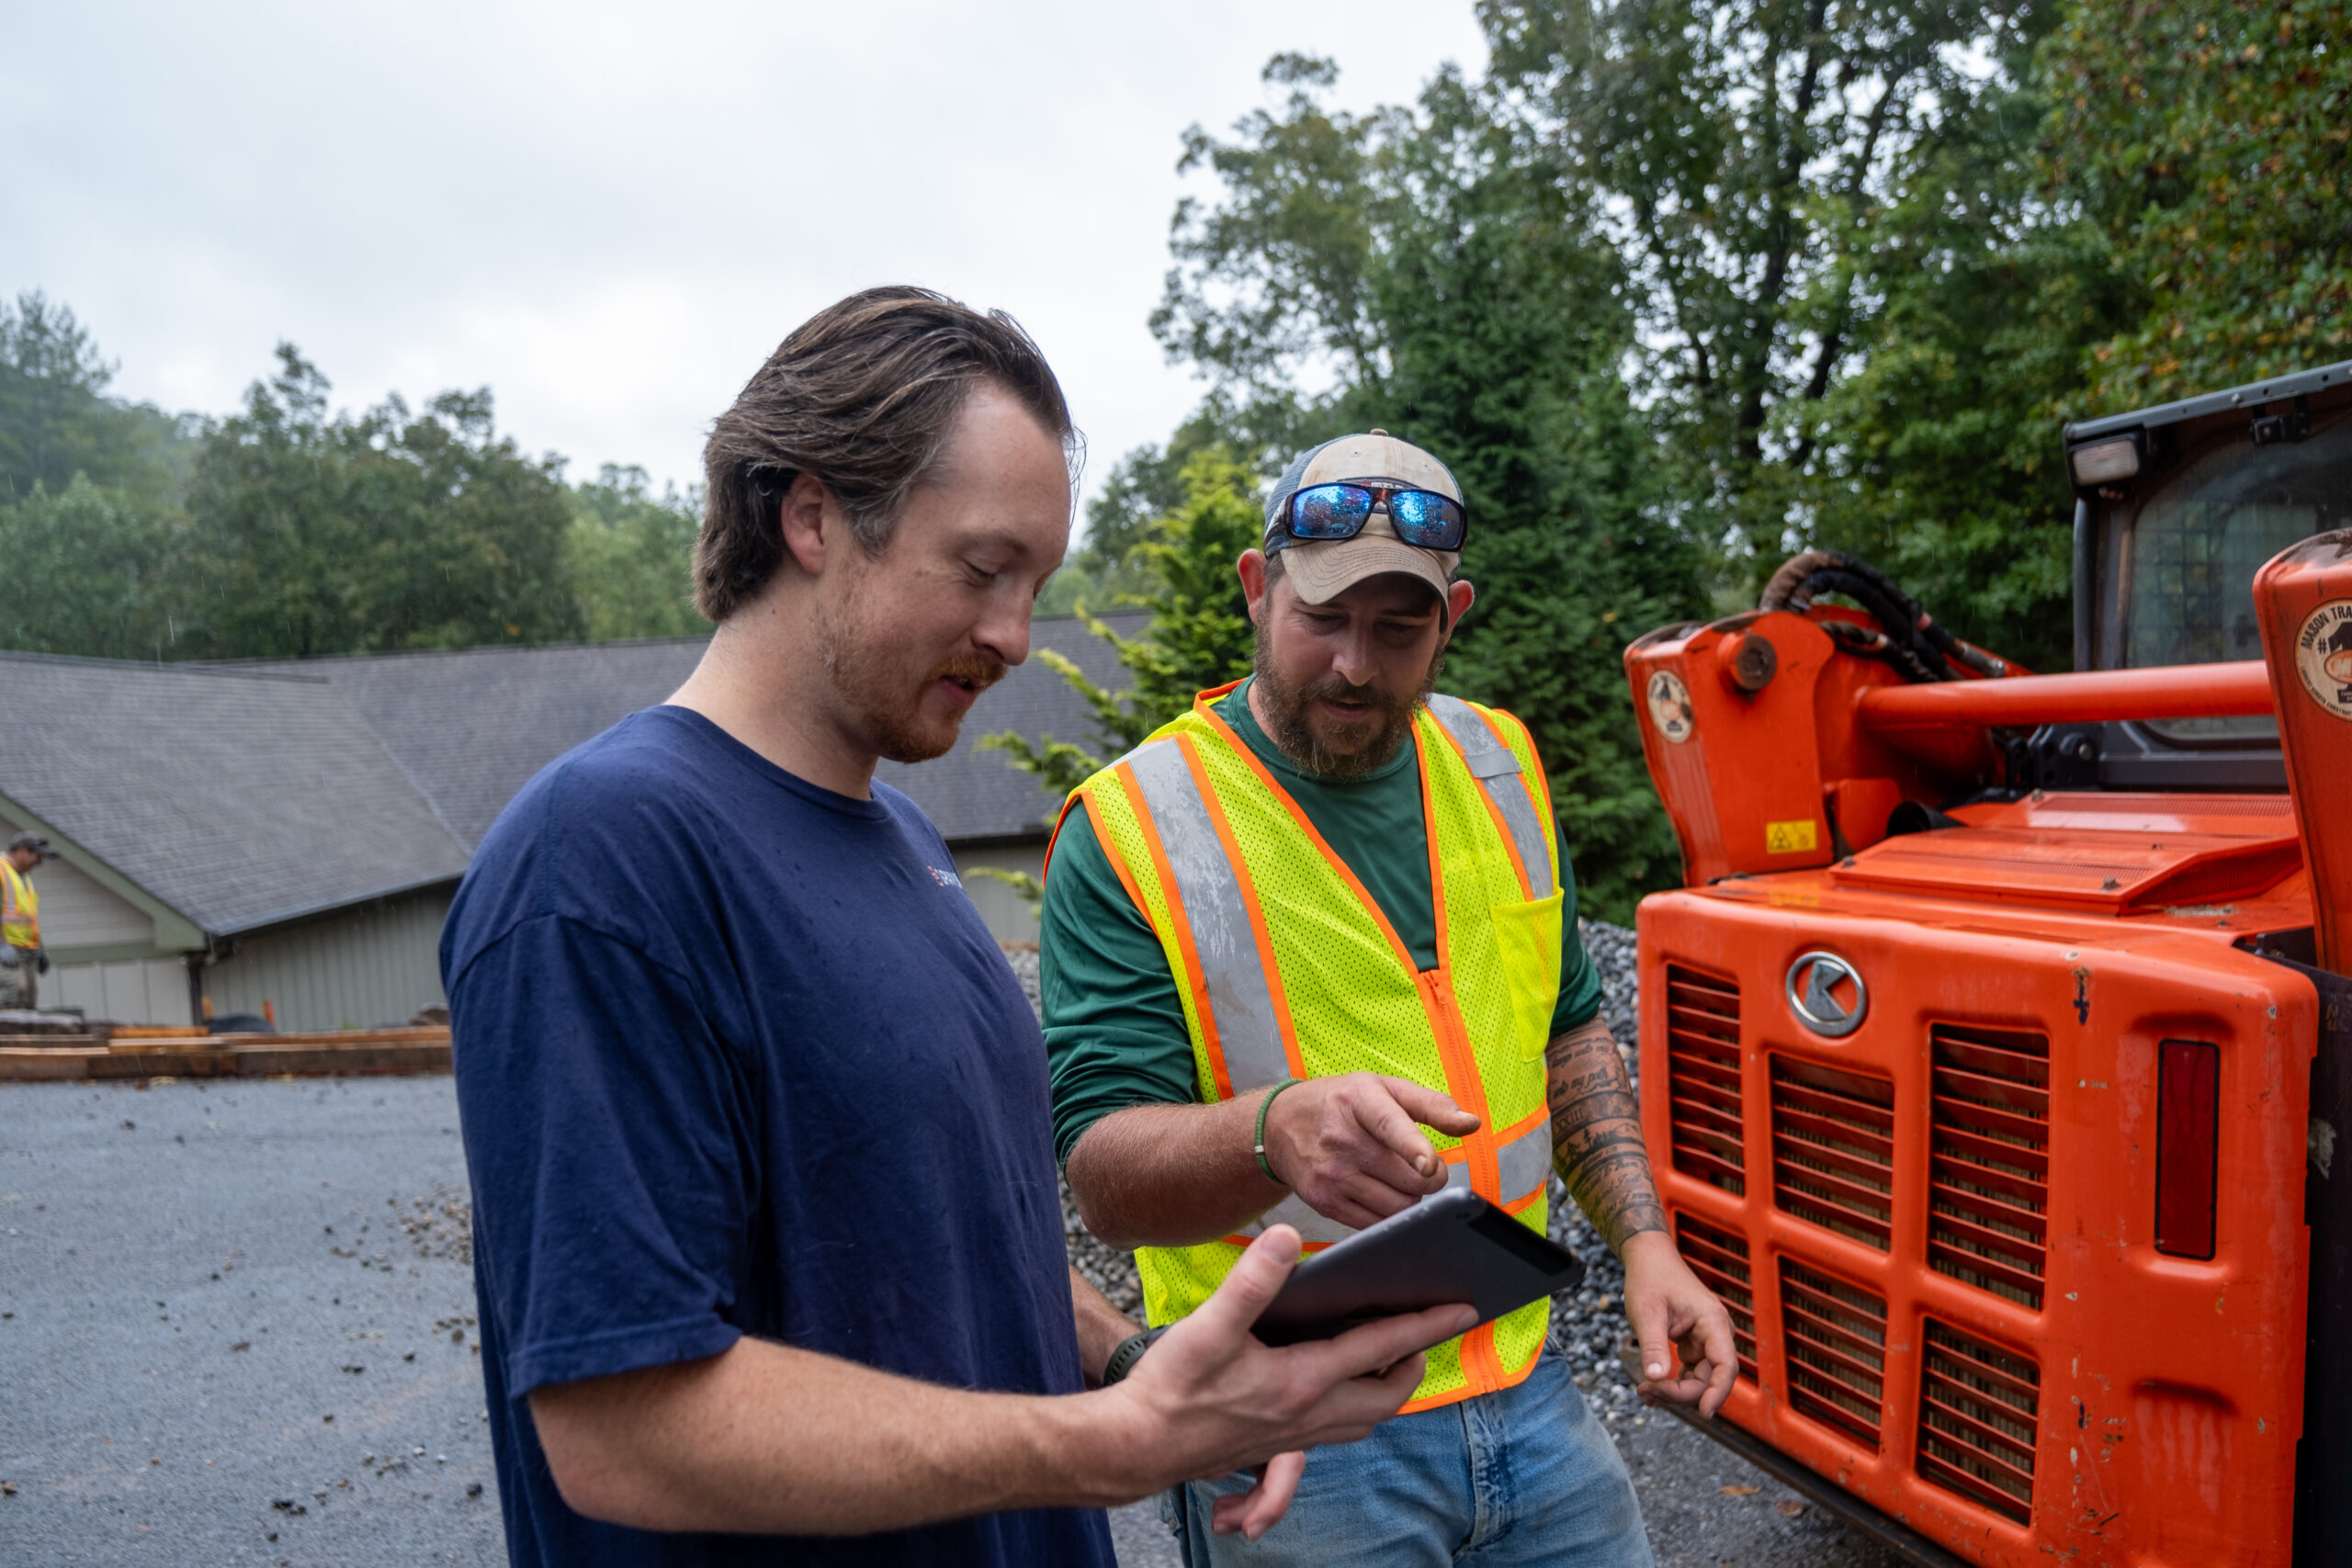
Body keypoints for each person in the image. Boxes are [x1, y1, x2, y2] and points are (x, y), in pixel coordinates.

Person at [441, 289, 1474, 1568]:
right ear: (812, 514)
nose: (1014, 636)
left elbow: (959, 1237)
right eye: (983, 570)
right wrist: (1109, 1442)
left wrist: (1136, 1364)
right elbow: (620, 1422)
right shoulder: (602, 856)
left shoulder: (907, 845)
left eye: (1034, 584)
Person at [1043, 430, 1740, 1566]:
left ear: (1450, 616)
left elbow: (1567, 1033)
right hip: (1289, 1428)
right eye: (1321, 619)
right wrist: (1270, 1134)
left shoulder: (1498, 766)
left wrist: (1647, 1246)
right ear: (1257, 590)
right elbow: (1104, 1179)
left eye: (1397, 628)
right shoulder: (1134, 827)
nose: (1355, 666)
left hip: (1527, 1383)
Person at [1, 832, 51, 1010]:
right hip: (7, 950)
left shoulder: (23, 877)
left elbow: (29, 919)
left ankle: (26, 1038)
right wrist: (1, 945)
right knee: (14, 993)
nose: (40, 862)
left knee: (28, 1001)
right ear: (22, 851)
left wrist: (40, 949)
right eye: (38, 856)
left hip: (28, 950)